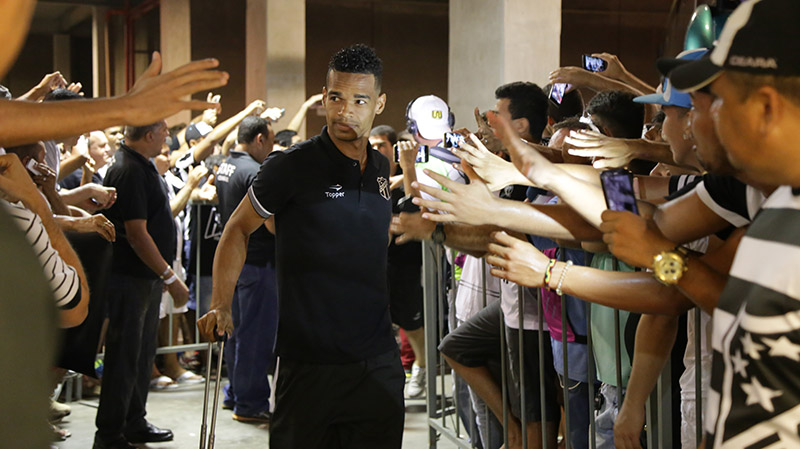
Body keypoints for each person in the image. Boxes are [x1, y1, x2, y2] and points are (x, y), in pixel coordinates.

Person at [198, 44, 404, 449]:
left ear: (379, 104)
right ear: (324, 98)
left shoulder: (382, 168)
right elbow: (237, 229)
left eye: (360, 100)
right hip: (309, 364)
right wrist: (221, 303)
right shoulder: (290, 166)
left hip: (377, 361)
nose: (346, 111)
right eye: (336, 98)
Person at [94, 121, 190, 449]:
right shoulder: (129, 170)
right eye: (163, 131)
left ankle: (133, 421)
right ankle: (109, 434)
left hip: (143, 277)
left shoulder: (141, 165)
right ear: (149, 135)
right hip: (129, 277)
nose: (167, 136)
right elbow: (136, 234)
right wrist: (169, 275)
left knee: (140, 354)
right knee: (124, 358)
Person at [216, 116, 279, 424]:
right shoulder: (255, 172)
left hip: (239, 263)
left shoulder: (227, 166)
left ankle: (235, 393)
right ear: (258, 139)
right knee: (254, 337)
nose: (273, 147)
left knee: (236, 334)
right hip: (257, 263)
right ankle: (251, 402)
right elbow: (271, 224)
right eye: (271, 140)